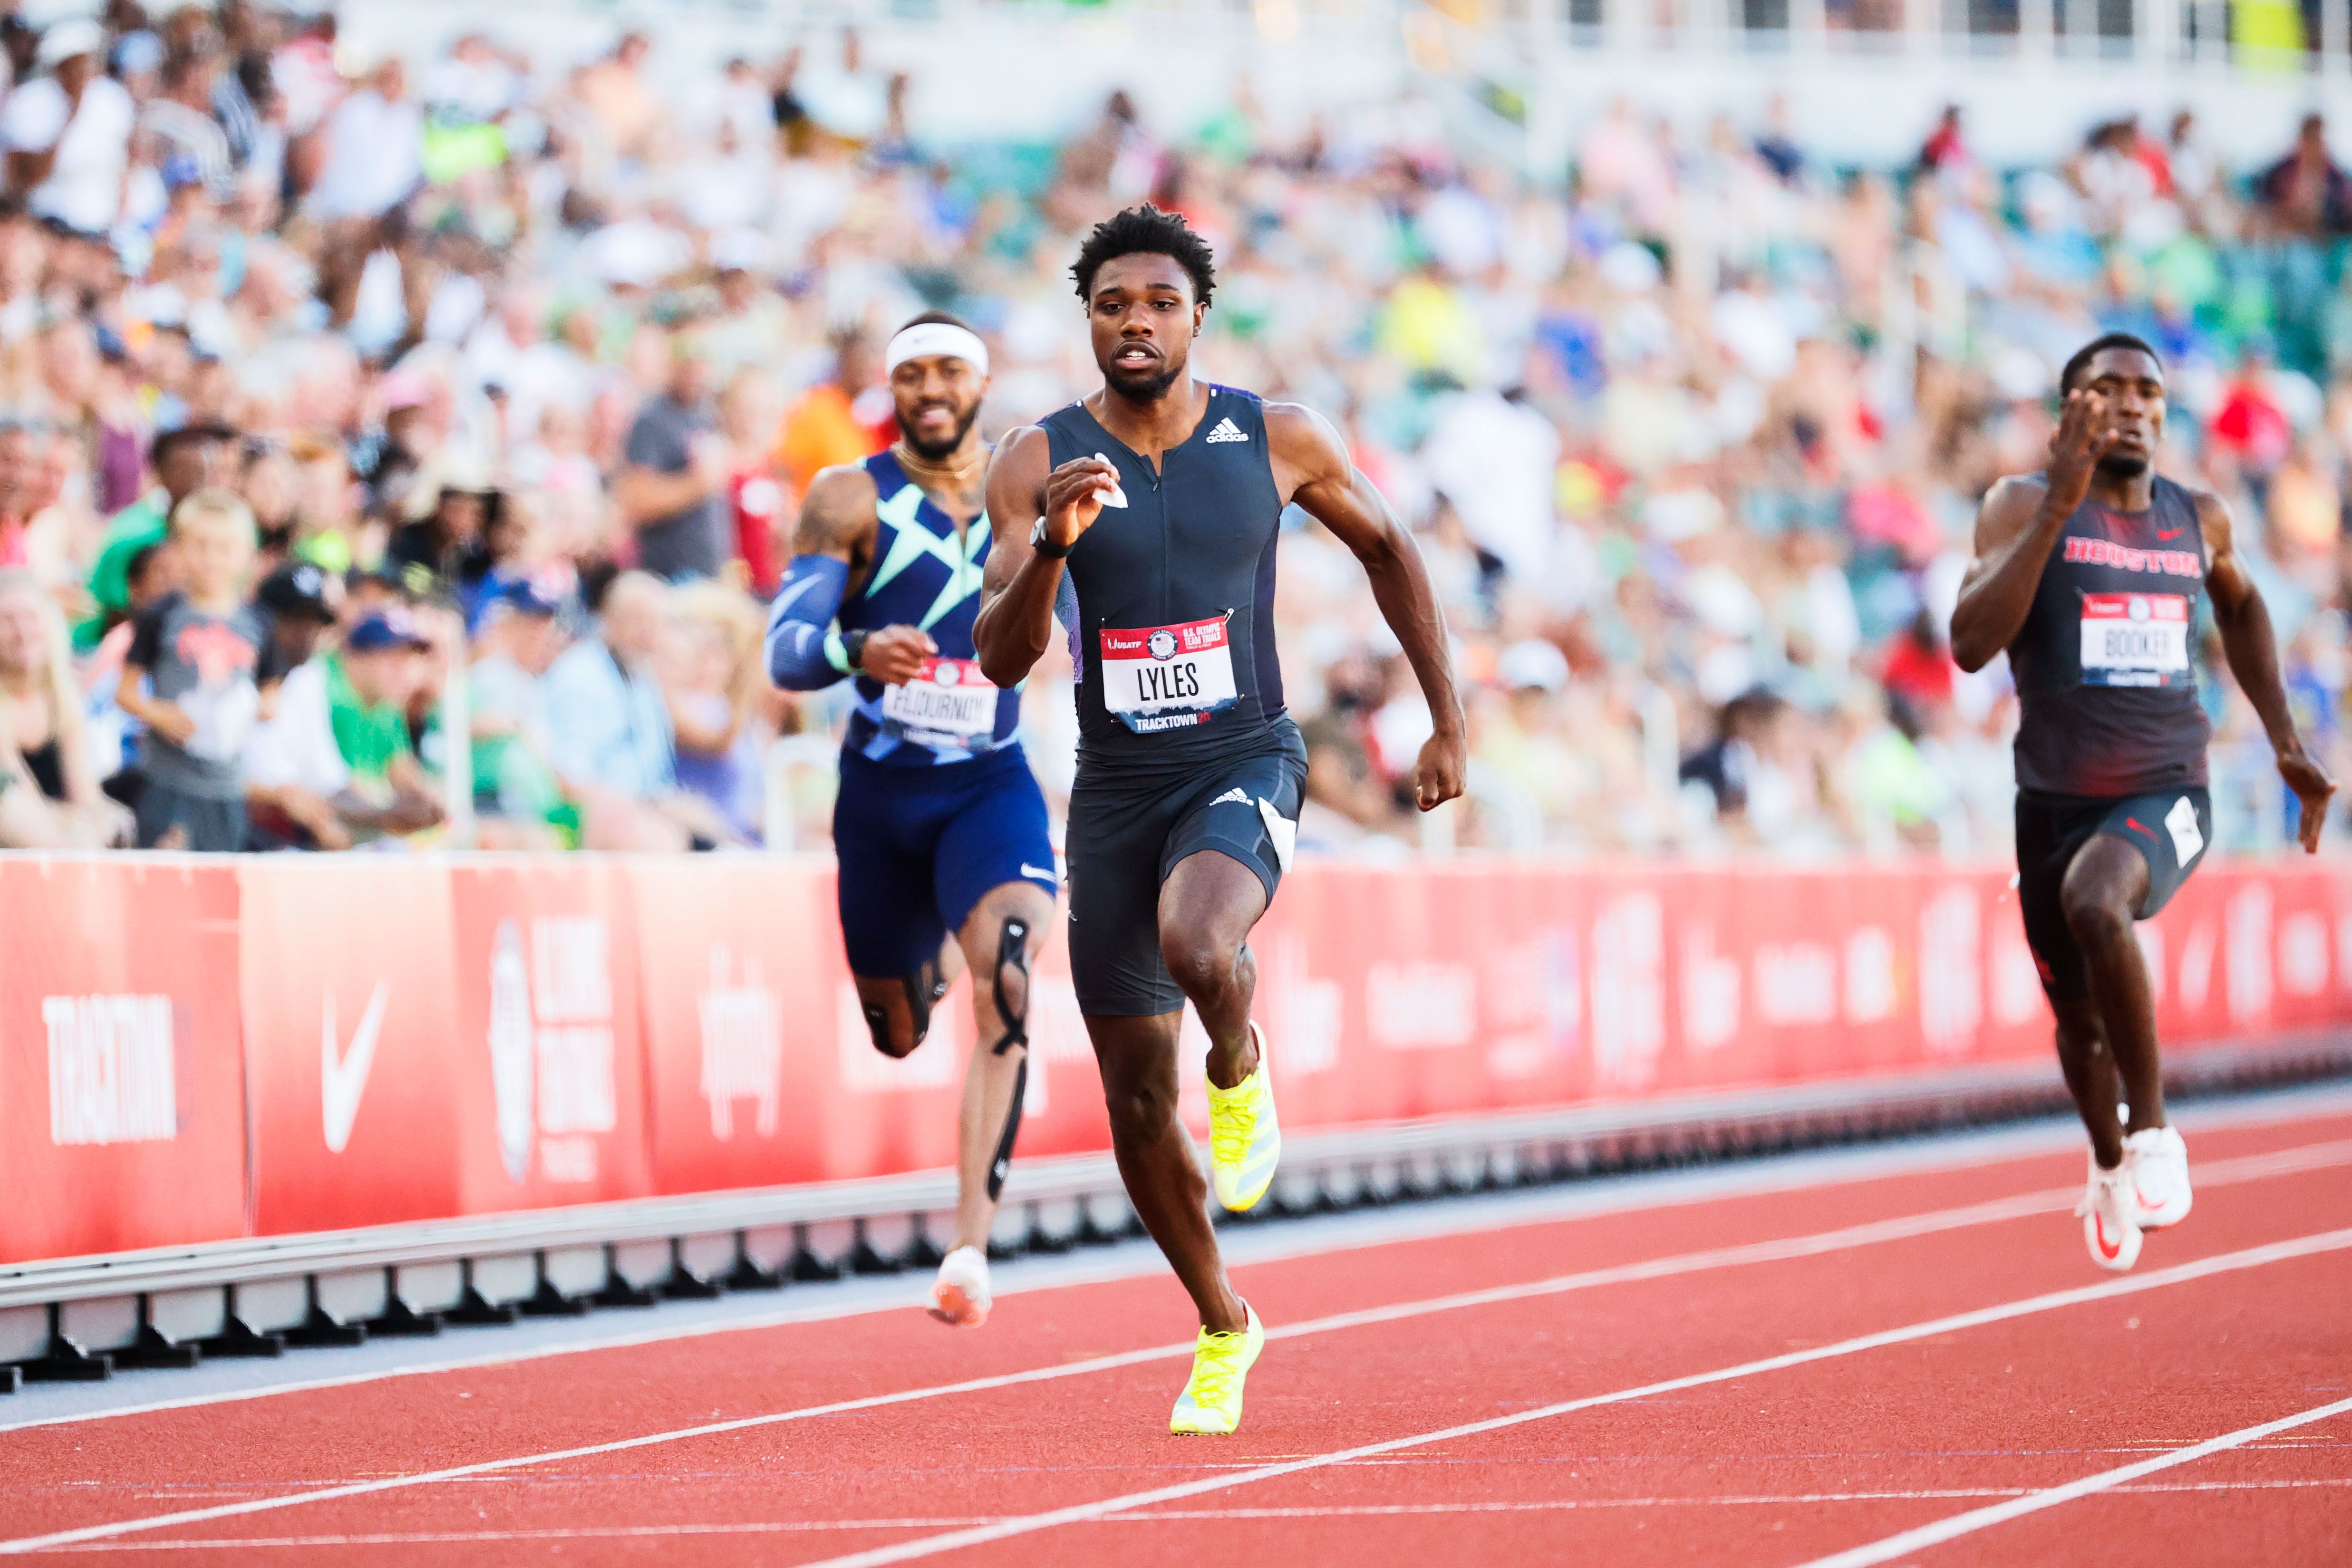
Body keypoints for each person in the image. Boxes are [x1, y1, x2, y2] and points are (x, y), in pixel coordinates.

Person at [973, 207, 1466, 1432]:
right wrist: (1048, 549)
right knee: (1136, 1101)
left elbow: (1391, 551)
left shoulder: (1276, 434)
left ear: (1197, 316)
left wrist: (1446, 720)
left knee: (1202, 947)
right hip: (1116, 787)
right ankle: (1220, 1321)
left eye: (1156, 302)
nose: (1132, 322)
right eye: (1109, 305)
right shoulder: (1038, 459)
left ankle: (1238, 1068)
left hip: (1244, 754)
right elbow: (998, 655)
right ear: (1086, 321)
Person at [1950, 332, 2336, 1274]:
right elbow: (1968, 644)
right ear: (2067, 410)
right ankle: (2110, 1157)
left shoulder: (2195, 518)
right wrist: (2057, 509)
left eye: (2146, 392)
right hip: (2048, 801)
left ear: (2164, 414)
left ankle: (2157, 1130)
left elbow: (2241, 606)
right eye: (2104, 389)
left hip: (2167, 791)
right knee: (2077, 1024)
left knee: (2097, 898)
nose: (2129, 404)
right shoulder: (2017, 505)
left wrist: (2285, 741)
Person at [765, 311, 1058, 1329]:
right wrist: (855, 652)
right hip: (883, 798)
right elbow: (787, 648)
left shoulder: (1031, 488)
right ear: (891, 387)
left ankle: (970, 1244)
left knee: (1012, 971)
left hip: (989, 780)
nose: (931, 389)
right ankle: (923, 950)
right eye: (912, 374)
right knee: (897, 1032)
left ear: (981, 383)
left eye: (949, 371)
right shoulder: (849, 494)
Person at [115, 488, 272, 851]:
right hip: (167, 779)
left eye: (225, 548)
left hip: (228, 784)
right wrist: (160, 714)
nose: (211, 560)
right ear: (178, 549)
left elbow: (270, 689)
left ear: (247, 556)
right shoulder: (161, 616)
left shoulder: (258, 623)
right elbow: (125, 691)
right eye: (200, 546)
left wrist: (253, 709)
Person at [0, 567, 127, 846]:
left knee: (118, 821)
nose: (21, 632)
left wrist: (98, 822)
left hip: (57, 821)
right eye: (7, 621)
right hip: (17, 825)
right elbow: (21, 806)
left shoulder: (63, 694)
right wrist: (78, 827)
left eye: (30, 618)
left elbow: (85, 795)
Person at [616, 331, 733, 581]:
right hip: (670, 573)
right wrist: (697, 483)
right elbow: (636, 500)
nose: (695, 375)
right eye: (687, 366)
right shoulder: (653, 420)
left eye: (701, 366)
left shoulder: (706, 414)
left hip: (709, 570)